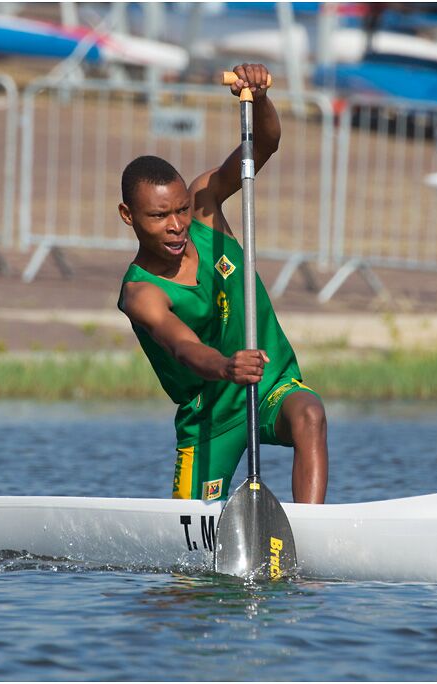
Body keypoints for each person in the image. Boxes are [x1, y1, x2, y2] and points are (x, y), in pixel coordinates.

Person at [117, 64, 328, 503]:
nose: (176, 226)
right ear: (128, 216)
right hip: (209, 415)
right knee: (189, 557)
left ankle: (309, 538)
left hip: (270, 384)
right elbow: (183, 347)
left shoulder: (206, 208)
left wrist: (262, 98)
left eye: (178, 210)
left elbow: (265, 144)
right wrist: (226, 367)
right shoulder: (142, 293)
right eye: (158, 216)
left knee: (309, 413)